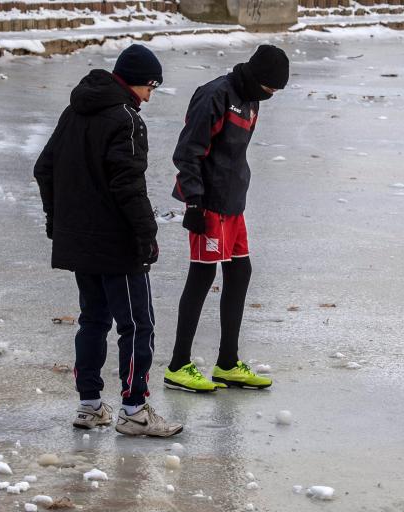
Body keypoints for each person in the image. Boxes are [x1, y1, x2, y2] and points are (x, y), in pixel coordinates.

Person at [33, 44, 183, 437]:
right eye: (151, 87)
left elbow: (44, 168)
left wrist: (58, 222)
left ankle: (89, 406)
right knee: (137, 325)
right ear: (138, 83)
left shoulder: (74, 112)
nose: (150, 96)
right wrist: (147, 235)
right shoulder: (126, 120)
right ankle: (134, 410)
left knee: (93, 320)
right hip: (117, 243)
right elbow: (128, 186)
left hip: (81, 241)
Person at [164, 45, 289, 393]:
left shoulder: (251, 99)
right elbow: (187, 152)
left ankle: (228, 364)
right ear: (258, 78)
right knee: (202, 275)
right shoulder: (215, 95)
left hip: (233, 201)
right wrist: (193, 204)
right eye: (272, 87)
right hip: (208, 202)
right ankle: (177, 365)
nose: (273, 94)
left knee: (240, 271)